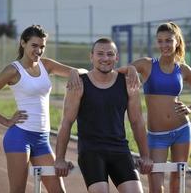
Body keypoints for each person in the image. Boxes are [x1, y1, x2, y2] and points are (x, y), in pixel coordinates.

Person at [0, 25, 86, 193]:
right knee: (18, 190)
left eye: (42, 46)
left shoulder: (46, 65)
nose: (39, 50)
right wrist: (6, 121)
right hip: (19, 137)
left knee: (58, 191)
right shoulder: (13, 70)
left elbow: (82, 71)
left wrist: (75, 73)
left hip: (42, 139)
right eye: (34, 45)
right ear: (23, 43)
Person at [54, 37, 153, 193]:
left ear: (116, 57)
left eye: (110, 54)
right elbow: (66, 122)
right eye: (100, 54)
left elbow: (137, 122)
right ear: (91, 56)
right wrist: (59, 159)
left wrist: (145, 156)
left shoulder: (128, 83)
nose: (105, 58)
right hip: (91, 152)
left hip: (120, 150)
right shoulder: (79, 84)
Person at [121, 22, 191, 193]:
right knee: (155, 187)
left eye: (168, 41)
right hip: (156, 136)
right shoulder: (147, 64)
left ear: (177, 41)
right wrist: (131, 69)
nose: (164, 45)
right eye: (160, 41)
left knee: (177, 181)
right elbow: (118, 71)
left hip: (182, 130)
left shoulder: (183, 69)